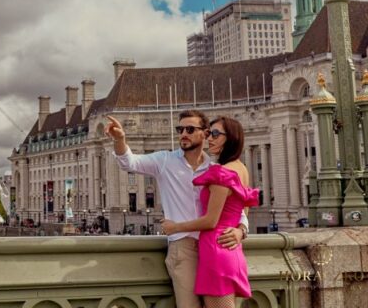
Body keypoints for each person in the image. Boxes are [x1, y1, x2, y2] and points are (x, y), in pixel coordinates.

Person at [106, 110, 248, 308]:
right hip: (184, 248)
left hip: (214, 246)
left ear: (205, 134)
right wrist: (120, 140)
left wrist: (242, 230)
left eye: (190, 129)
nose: (183, 134)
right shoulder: (165, 160)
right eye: (180, 129)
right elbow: (129, 162)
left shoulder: (215, 168)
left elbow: (234, 208)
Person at [162, 116, 259, 308]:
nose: (209, 139)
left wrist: (175, 227)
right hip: (232, 249)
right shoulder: (242, 169)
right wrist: (241, 230)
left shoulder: (222, 173)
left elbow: (211, 221)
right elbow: (243, 209)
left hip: (216, 250)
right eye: (208, 134)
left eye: (215, 134)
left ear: (230, 138)